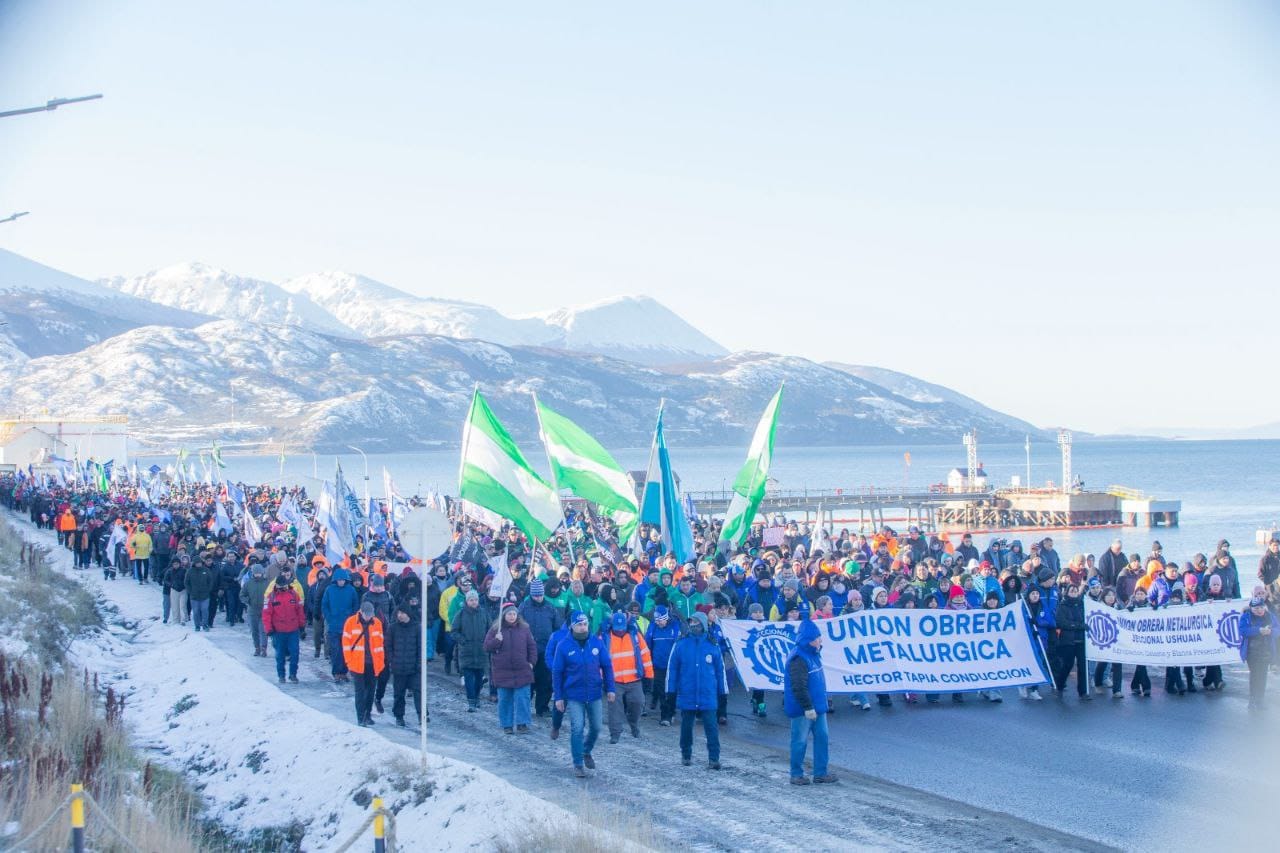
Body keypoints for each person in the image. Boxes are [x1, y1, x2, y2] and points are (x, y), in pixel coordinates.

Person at [552, 611, 616, 778]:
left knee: (596, 727)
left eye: (585, 624)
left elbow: (607, 666)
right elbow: (557, 672)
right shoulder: (564, 645)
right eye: (579, 624)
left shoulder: (596, 643)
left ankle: (586, 750)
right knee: (577, 728)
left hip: (594, 693)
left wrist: (610, 688)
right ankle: (578, 763)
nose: (583, 627)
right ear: (572, 626)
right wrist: (558, 696)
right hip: (574, 695)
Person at [667, 611, 727, 769]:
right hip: (687, 692)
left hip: (708, 694)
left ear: (702, 624)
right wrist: (670, 692)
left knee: (711, 728)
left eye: (695, 622)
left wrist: (723, 694)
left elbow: (721, 671)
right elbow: (672, 670)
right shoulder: (681, 644)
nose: (692, 625)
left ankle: (714, 758)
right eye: (690, 622)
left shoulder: (713, 645)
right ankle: (686, 755)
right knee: (686, 727)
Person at [784, 618, 836, 785]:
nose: (820, 640)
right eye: (817, 638)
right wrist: (807, 707)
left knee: (822, 738)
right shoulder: (798, 659)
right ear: (809, 640)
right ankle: (796, 774)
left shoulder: (812, 654)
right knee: (799, 740)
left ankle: (821, 773)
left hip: (818, 707)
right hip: (804, 709)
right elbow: (798, 686)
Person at [484, 601, 538, 734]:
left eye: (514, 613)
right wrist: (497, 640)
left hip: (522, 670)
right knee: (505, 700)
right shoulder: (495, 630)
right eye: (509, 614)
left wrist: (531, 662)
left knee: (523, 699)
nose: (512, 616)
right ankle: (506, 724)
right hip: (503, 671)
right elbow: (486, 647)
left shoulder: (524, 629)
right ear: (504, 615)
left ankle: (522, 723)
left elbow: (531, 646)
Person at [518, 579, 563, 718]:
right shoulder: (524, 607)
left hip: (546, 650)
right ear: (531, 594)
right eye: (535, 595)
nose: (538, 597)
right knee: (528, 680)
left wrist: (556, 643)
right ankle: (524, 707)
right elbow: (518, 626)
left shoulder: (550, 608)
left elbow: (558, 627)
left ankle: (542, 707)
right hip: (528, 650)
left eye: (540, 595)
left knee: (545, 681)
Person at [606, 611, 653, 743]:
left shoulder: (635, 636)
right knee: (614, 709)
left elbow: (645, 654)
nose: (620, 631)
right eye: (617, 629)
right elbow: (600, 662)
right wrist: (601, 680)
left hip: (634, 679)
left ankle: (634, 724)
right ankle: (615, 734)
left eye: (622, 628)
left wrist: (649, 675)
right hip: (614, 681)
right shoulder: (605, 638)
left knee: (638, 703)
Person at [343, 601, 386, 726]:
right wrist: (349, 663)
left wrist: (381, 662)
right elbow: (346, 645)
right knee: (360, 692)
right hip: (357, 664)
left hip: (373, 664)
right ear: (361, 612)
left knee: (371, 691)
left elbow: (380, 645)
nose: (369, 617)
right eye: (367, 615)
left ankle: (367, 715)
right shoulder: (350, 623)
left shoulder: (377, 623)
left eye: (370, 615)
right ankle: (360, 717)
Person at [262, 571, 305, 684]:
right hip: (278, 631)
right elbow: (266, 614)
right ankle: (281, 675)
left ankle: (293, 674)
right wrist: (268, 629)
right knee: (280, 655)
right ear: (276, 586)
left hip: (293, 630)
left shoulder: (293, 594)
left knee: (294, 653)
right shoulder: (271, 597)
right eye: (281, 586)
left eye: (284, 586)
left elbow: (300, 611)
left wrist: (302, 626)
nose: (283, 588)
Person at [384, 604, 423, 727]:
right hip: (398, 667)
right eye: (398, 613)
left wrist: (419, 663)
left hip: (414, 668)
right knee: (399, 694)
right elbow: (388, 646)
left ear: (408, 614)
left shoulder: (417, 627)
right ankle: (399, 716)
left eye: (402, 613)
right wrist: (392, 660)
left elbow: (420, 647)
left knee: (418, 692)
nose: (399, 615)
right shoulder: (393, 628)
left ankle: (422, 715)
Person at [1239, 595, 1278, 710]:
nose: (1259, 610)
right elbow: (1243, 631)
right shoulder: (1246, 617)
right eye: (1256, 609)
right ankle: (1253, 699)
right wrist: (1258, 631)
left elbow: (1278, 630)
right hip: (1252, 652)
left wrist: (1270, 631)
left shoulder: (1270, 616)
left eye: (1261, 607)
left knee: (1263, 676)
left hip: (1266, 651)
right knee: (1255, 675)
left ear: (1264, 607)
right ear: (1251, 608)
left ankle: (1260, 699)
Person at [453, 589, 490, 712]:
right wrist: (462, 640)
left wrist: (487, 641)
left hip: (481, 650)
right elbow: (454, 631)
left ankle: (477, 696)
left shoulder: (484, 613)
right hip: (466, 651)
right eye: (471, 600)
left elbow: (490, 629)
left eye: (475, 600)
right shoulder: (461, 614)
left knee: (479, 678)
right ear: (467, 601)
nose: (473, 602)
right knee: (469, 677)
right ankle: (471, 701)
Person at [645, 605, 682, 725]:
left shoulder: (675, 626)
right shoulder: (653, 627)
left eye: (660, 620)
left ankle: (671, 712)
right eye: (656, 620)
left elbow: (679, 646)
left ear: (666, 618)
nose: (658, 623)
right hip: (658, 665)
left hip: (672, 666)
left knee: (671, 690)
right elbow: (647, 645)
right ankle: (665, 716)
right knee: (661, 690)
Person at [1052, 581, 1089, 700]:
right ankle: (1060, 685)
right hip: (1068, 641)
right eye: (1071, 591)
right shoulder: (1062, 606)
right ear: (1067, 592)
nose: (1074, 593)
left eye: (1075, 591)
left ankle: (1083, 692)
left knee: (1083, 667)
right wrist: (1077, 626)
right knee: (1068, 665)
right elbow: (1062, 623)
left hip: (1081, 641)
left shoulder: (1082, 605)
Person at [322, 569, 360, 683]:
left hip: (347, 626)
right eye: (339, 580)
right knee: (336, 650)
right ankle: (336, 673)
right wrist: (329, 618)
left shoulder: (351, 590)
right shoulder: (329, 590)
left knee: (346, 651)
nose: (341, 582)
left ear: (346, 580)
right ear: (335, 580)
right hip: (334, 626)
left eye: (343, 580)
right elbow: (325, 605)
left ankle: (344, 672)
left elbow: (355, 605)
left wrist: (352, 619)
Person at [240, 562, 271, 656]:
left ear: (262, 572)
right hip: (252, 610)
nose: (257, 574)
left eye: (259, 572)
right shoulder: (248, 583)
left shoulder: (268, 583)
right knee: (254, 630)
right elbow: (242, 595)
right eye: (255, 573)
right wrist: (247, 600)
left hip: (264, 610)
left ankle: (264, 648)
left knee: (263, 630)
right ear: (253, 573)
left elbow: (272, 594)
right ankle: (257, 648)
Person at [185, 550, 216, 633]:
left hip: (205, 596)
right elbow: (186, 582)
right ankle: (197, 626)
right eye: (197, 563)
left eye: (200, 562)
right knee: (195, 611)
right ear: (194, 563)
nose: (199, 564)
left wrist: (208, 590)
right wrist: (190, 591)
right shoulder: (190, 571)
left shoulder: (206, 570)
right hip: (194, 596)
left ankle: (205, 625)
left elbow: (210, 581)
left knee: (205, 610)